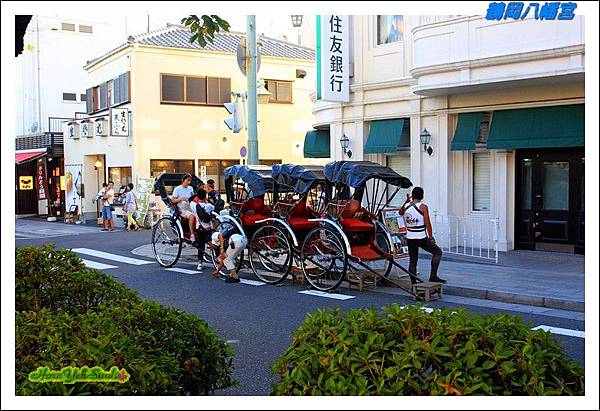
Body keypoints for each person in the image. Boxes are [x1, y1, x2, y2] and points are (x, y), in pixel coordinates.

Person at [399, 187, 446, 284]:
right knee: (437, 252)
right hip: (421, 237)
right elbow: (427, 223)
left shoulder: (407, 206)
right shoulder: (423, 206)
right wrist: (431, 237)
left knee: (413, 261)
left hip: (410, 237)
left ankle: (414, 284)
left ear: (412, 195)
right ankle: (433, 276)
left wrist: (406, 201)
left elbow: (400, 212)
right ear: (422, 196)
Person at [189, 188, 214, 271]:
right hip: (209, 229)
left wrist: (196, 195)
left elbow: (190, 199)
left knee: (201, 245)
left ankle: (200, 263)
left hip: (199, 229)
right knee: (212, 244)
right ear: (205, 197)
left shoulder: (194, 206)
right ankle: (218, 259)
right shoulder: (209, 206)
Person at [171, 174, 198, 243]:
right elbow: (173, 200)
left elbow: (192, 198)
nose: (189, 182)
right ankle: (192, 234)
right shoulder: (177, 189)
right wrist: (181, 199)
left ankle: (199, 233)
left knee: (200, 214)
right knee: (192, 216)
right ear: (183, 180)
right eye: (187, 180)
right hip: (182, 208)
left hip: (190, 206)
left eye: (190, 180)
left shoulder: (191, 188)